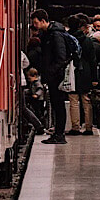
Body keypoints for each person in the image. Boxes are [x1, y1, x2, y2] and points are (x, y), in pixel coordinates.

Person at [31, 9, 69, 144]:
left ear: (43, 21)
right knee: (56, 105)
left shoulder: (55, 35)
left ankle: (60, 135)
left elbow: (60, 57)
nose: (34, 25)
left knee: (58, 106)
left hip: (56, 76)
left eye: (36, 22)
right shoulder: (48, 34)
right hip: (53, 75)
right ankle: (58, 134)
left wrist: (51, 72)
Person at [66, 15, 98, 136]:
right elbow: (93, 60)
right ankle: (89, 127)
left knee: (73, 100)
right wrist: (94, 78)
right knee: (86, 100)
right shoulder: (87, 40)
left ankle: (75, 127)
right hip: (86, 72)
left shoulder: (67, 39)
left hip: (72, 72)